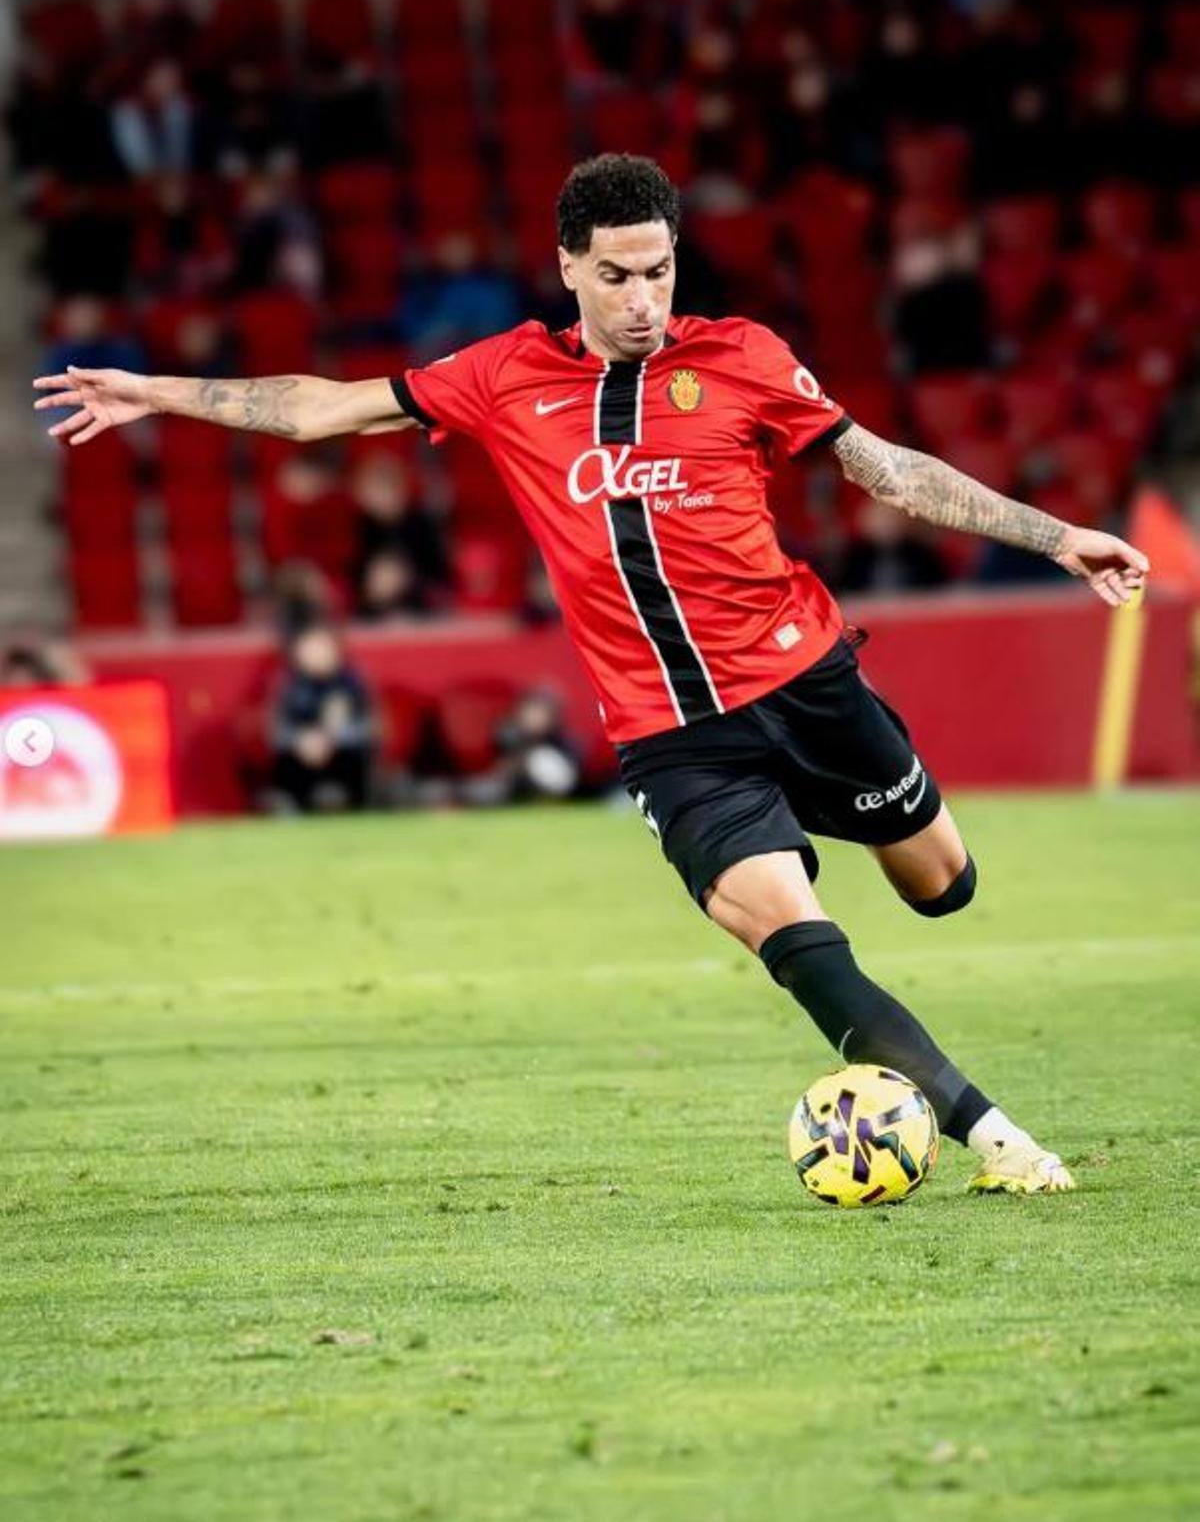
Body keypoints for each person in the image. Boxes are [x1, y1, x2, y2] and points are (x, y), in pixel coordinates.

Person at [34, 153, 1150, 1194]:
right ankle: (994, 1137)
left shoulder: (745, 358)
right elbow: (324, 406)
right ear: (568, 266)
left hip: (809, 688)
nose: (639, 300)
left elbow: (886, 470)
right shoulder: (502, 375)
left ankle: (893, 862)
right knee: (798, 942)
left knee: (944, 888)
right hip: (676, 742)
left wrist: (1061, 538)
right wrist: (160, 392)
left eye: (657, 271)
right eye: (613, 275)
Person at [265, 623, 375, 814]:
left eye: (319, 648)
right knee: (287, 762)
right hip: (302, 758)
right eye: (308, 650)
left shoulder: (352, 684)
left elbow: (370, 727)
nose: (314, 655)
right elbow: (277, 731)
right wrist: (300, 741)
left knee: (358, 759)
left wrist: (332, 739)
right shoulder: (290, 687)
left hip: (344, 755)